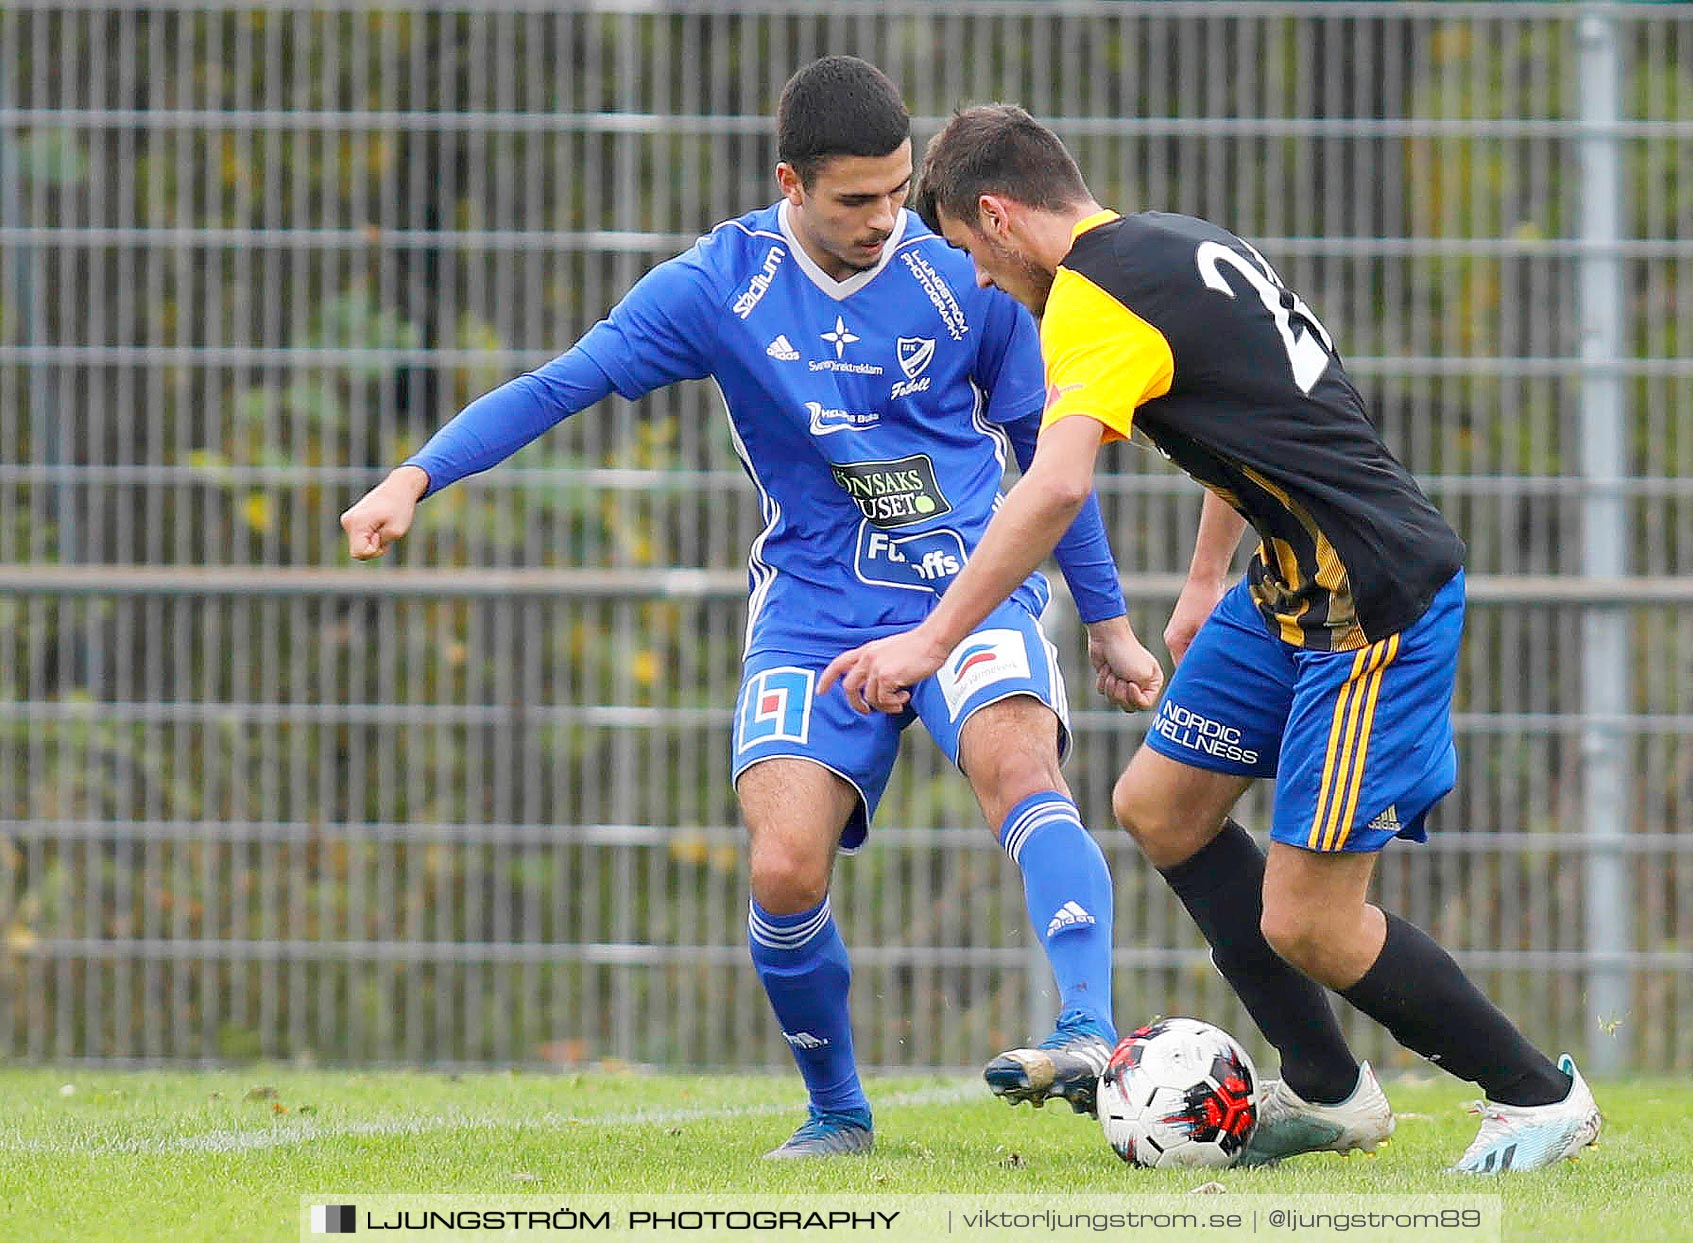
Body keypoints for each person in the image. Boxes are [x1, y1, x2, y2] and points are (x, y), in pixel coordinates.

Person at [339, 63, 1162, 1159]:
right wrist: (414, 477)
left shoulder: (966, 278)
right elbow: (560, 382)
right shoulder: (716, 286)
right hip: (814, 607)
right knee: (783, 865)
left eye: (899, 192)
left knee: (1021, 763)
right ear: (791, 182)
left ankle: (1087, 1030)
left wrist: (1105, 620)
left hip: (965, 588)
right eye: (855, 200)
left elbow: (1047, 457)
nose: (885, 221)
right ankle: (837, 1113)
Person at [823, 103, 1603, 1174]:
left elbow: (1051, 488)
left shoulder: (1087, 305)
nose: (984, 282)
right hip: (1285, 583)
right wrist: (1199, 583)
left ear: (997, 216)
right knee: (1161, 808)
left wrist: (928, 642)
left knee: (1310, 924)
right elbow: (1253, 415)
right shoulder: (1180, 240)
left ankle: (1536, 1094)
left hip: (1368, 601)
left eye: (970, 254)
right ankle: (1331, 1095)